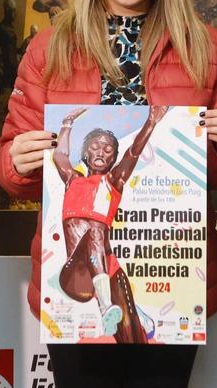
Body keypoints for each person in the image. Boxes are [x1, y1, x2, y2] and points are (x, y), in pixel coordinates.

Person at [0, 0, 217, 388]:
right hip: (78, 278)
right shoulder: (49, 49)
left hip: (171, 274)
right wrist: (20, 161)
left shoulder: (208, 49)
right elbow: (12, 174)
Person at [53, 106, 166, 342]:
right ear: (84, 153)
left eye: (108, 149)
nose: (102, 151)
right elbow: (59, 155)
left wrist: (151, 122)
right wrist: (67, 123)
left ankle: (136, 316)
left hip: (108, 267)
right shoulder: (73, 180)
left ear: (113, 157)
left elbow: (133, 153)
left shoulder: (113, 182)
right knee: (95, 229)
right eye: (95, 146)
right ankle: (106, 306)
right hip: (78, 274)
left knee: (129, 331)